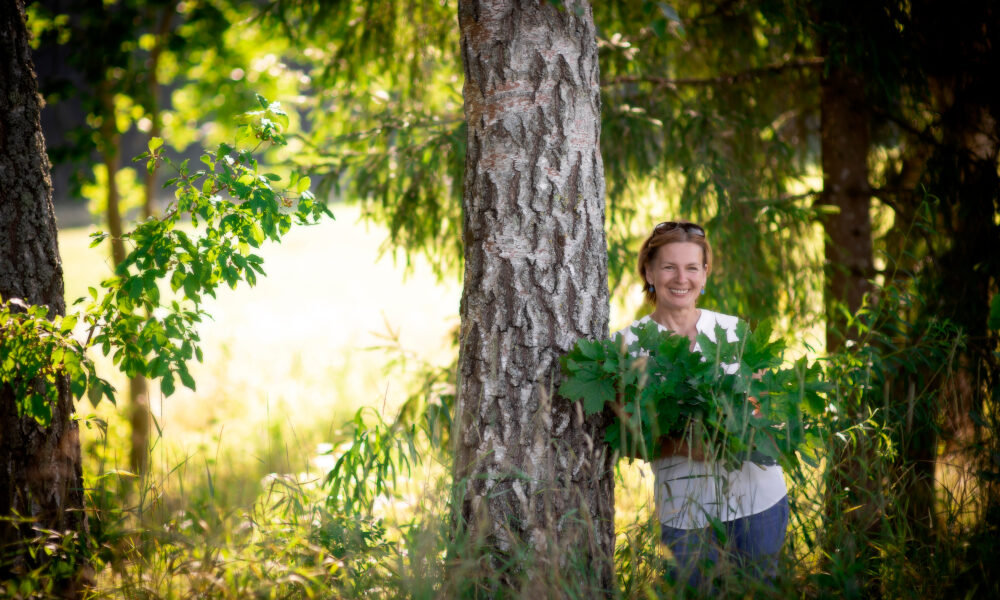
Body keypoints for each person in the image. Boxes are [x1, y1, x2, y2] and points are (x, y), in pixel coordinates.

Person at [615, 220, 789, 591]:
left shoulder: (731, 330)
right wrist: (688, 448)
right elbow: (628, 438)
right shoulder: (627, 345)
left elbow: (764, 405)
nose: (682, 278)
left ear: (705, 272)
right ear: (649, 271)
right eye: (668, 267)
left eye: (692, 267)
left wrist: (749, 422)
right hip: (685, 512)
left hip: (758, 500)